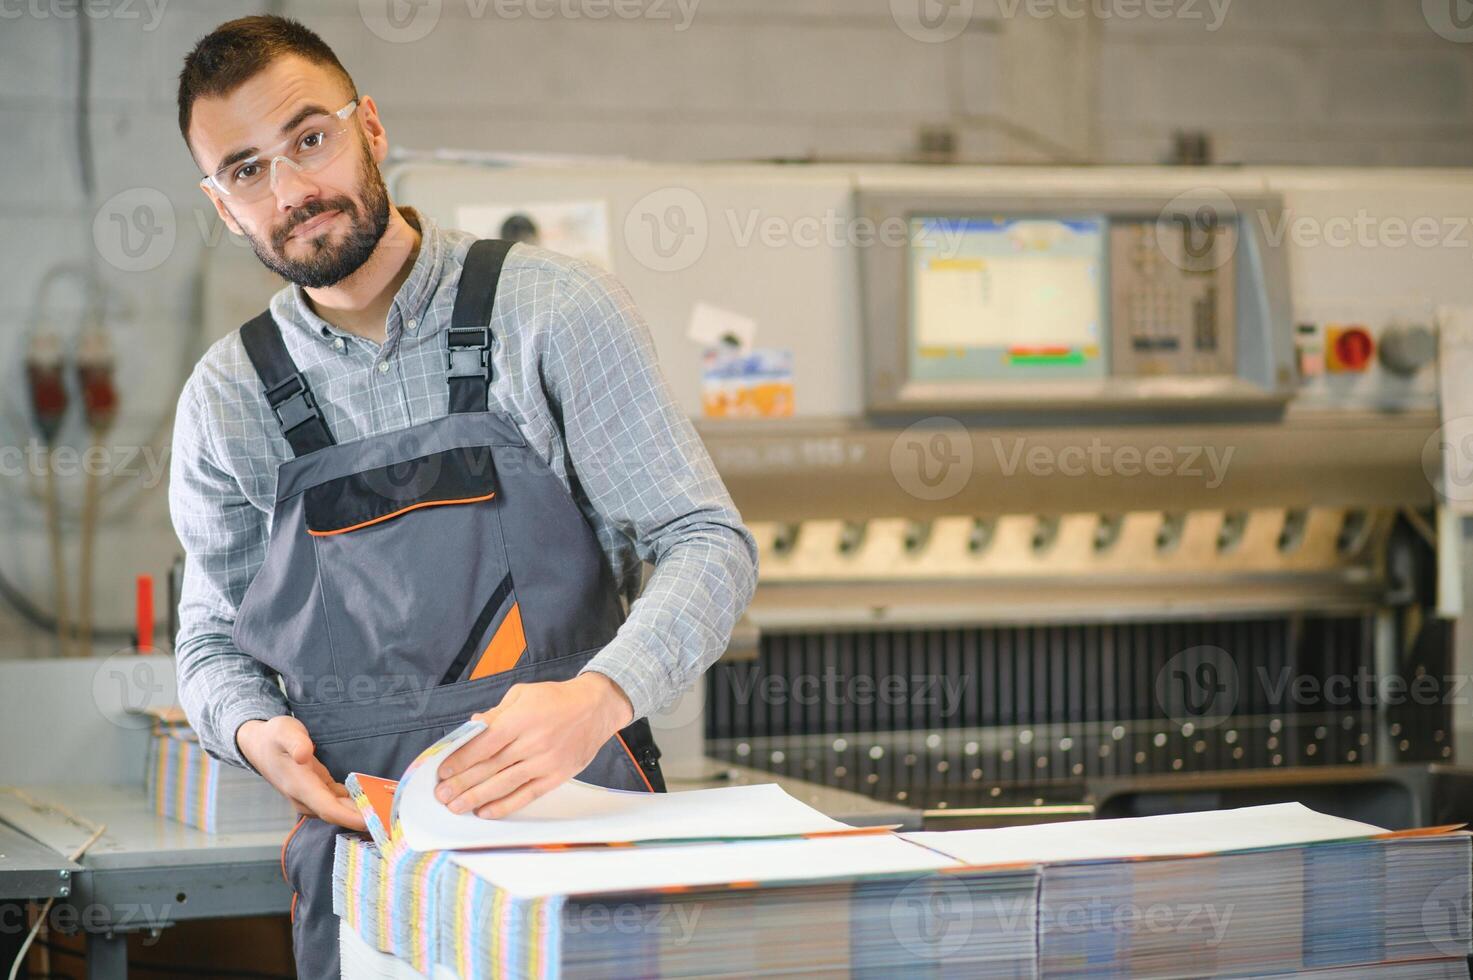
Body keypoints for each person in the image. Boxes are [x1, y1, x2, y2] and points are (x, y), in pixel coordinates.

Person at [168, 16, 757, 978]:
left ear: (370, 127)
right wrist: (246, 727)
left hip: (581, 831)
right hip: (373, 867)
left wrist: (597, 699)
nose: (291, 191)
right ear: (222, 204)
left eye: (309, 138)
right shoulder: (227, 399)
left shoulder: (555, 313)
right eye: (247, 170)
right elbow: (211, 638)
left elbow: (705, 541)